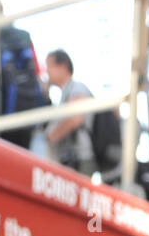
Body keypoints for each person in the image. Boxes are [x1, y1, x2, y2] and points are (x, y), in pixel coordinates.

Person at [44, 49, 123, 182]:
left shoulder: (76, 88)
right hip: (74, 159)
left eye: (50, 66)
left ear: (63, 66)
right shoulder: (66, 93)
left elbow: (76, 118)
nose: (47, 71)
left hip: (80, 159)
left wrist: (50, 136)